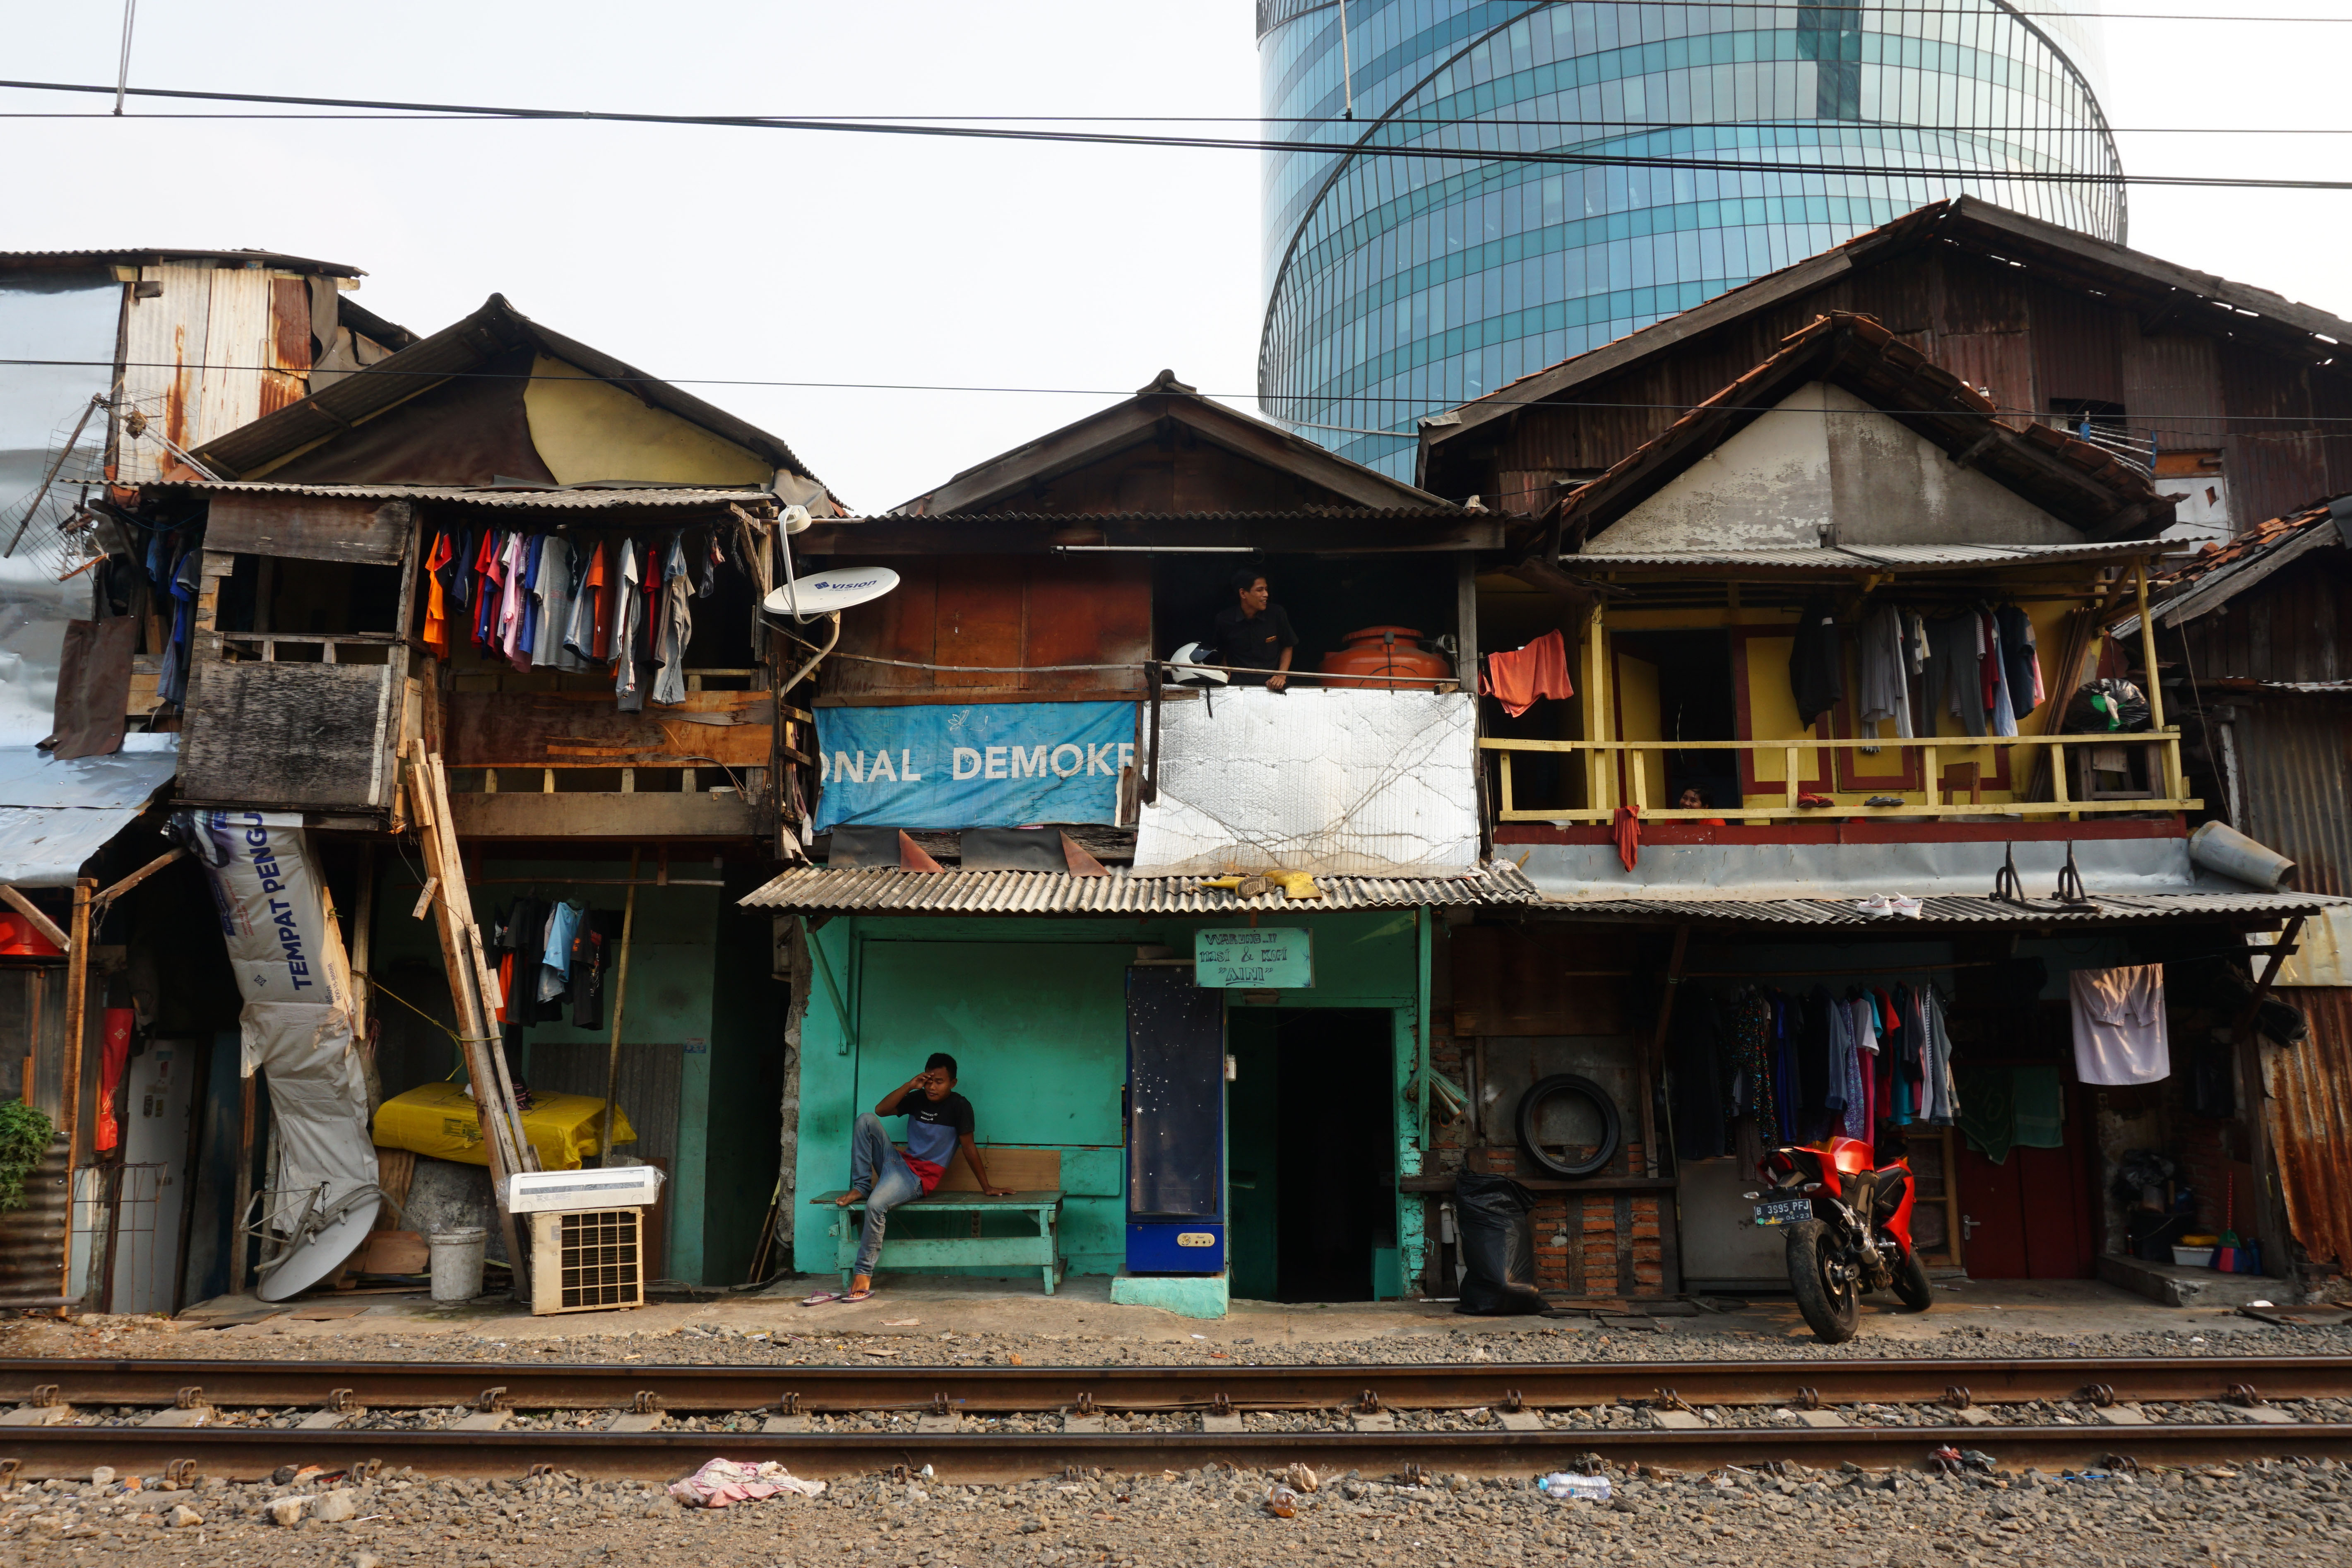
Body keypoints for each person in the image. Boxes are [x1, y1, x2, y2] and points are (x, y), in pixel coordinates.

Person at [809, 1052, 1007, 1305]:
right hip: (897, 1164)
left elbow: (968, 1147)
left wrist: (987, 1187)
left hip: (917, 1180)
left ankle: (863, 1275)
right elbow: (882, 1110)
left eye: (940, 1082)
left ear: (953, 1083)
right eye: (929, 1080)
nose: (933, 1087)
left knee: (876, 1206)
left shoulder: (960, 1106)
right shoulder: (917, 1099)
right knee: (866, 1119)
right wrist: (910, 1086)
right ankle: (861, 1186)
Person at [1210, 569, 1298, 691]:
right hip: (1236, 688)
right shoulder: (1224, 619)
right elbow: (1219, 648)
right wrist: (1224, 667)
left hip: (1272, 687)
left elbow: (1288, 646)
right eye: (1260, 590)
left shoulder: (1277, 614)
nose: (1266, 594)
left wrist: (1281, 676)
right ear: (1243, 594)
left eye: (1266, 589)